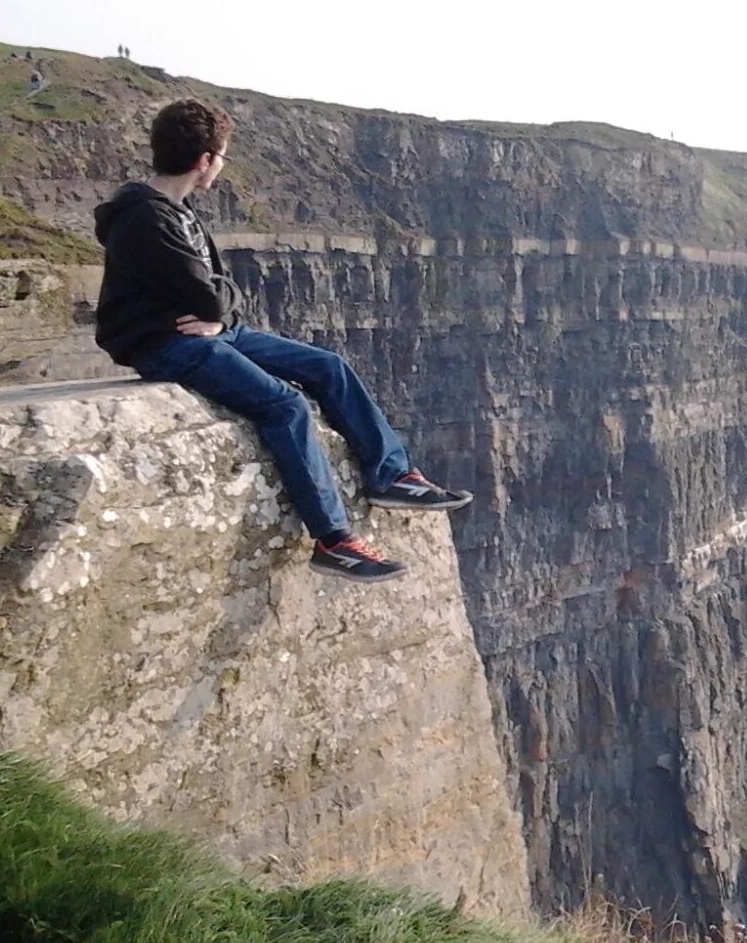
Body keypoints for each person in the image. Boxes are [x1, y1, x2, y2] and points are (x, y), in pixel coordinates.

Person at [94, 99, 470, 582]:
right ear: (205, 159)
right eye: (222, 156)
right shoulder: (149, 218)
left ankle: (390, 474)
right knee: (284, 405)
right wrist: (218, 305)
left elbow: (218, 291)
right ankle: (334, 541)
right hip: (164, 344)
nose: (222, 167)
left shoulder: (178, 209)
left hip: (212, 331)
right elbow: (212, 293)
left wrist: (218, 306)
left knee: (327, 366)